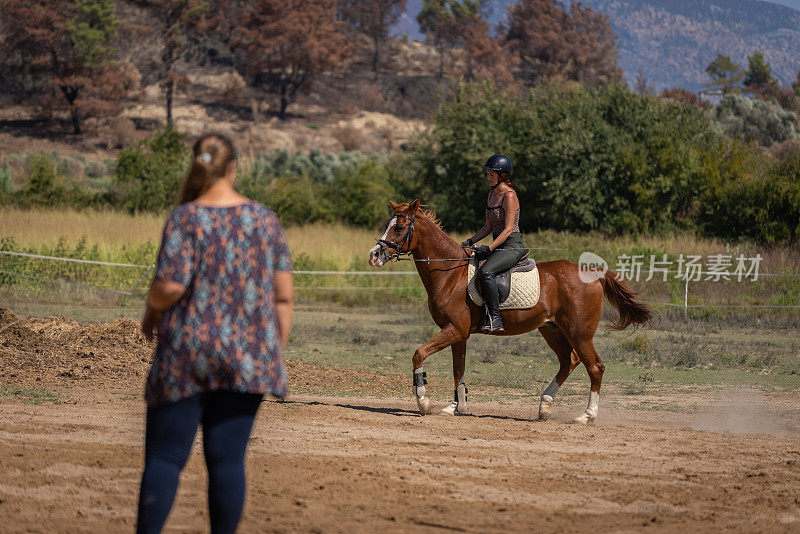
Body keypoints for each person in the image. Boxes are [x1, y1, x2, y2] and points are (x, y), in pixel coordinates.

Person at [137, 133, 293, 534]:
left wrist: (152, 307)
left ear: (198, 166)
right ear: (234, 168)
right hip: (246, 359)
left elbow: (170, 286)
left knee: (166, 457)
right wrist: (271, 353)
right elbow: (283, 298)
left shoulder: (185, 218)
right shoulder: (265, 221)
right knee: (227, 462)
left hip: (186, 354)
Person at [461, 154, 525, 333]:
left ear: (502, 176)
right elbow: (488, 226)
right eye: (487, 174)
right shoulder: (491, 195)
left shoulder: (509, 196)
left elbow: (507, 229)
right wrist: (470, 241)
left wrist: (488, 248)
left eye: (491, 175)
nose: (488, 178)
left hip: (512, 246)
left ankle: (495, 318)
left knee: (486, 271)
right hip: (499, 245)